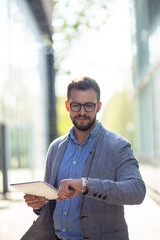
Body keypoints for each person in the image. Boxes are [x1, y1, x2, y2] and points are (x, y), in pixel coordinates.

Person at [22, 76, 146, 240]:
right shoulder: (55, 148)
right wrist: (38, 205)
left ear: (98, 106)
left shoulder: (119, 146)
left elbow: (136, 191)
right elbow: (51, 200)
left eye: (88, 106)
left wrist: (86, 185)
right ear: (67, 106)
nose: (82, 112)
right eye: (76, 105)